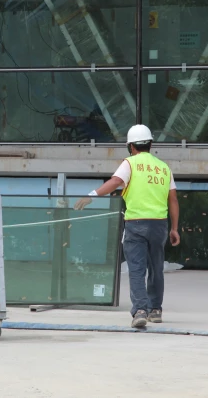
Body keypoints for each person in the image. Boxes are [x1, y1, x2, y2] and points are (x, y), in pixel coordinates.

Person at [75, 124, 179, 328]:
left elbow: (115, 182)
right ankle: (155, 310)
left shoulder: (130, 164)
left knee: (137, 269)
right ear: (150, 144)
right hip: (159, 225)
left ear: (131, 146)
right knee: (156, 267)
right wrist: (174, 228)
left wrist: (92, 195)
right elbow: (173, 199)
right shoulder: (164, 167)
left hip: (136, 224)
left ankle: (140, 310)